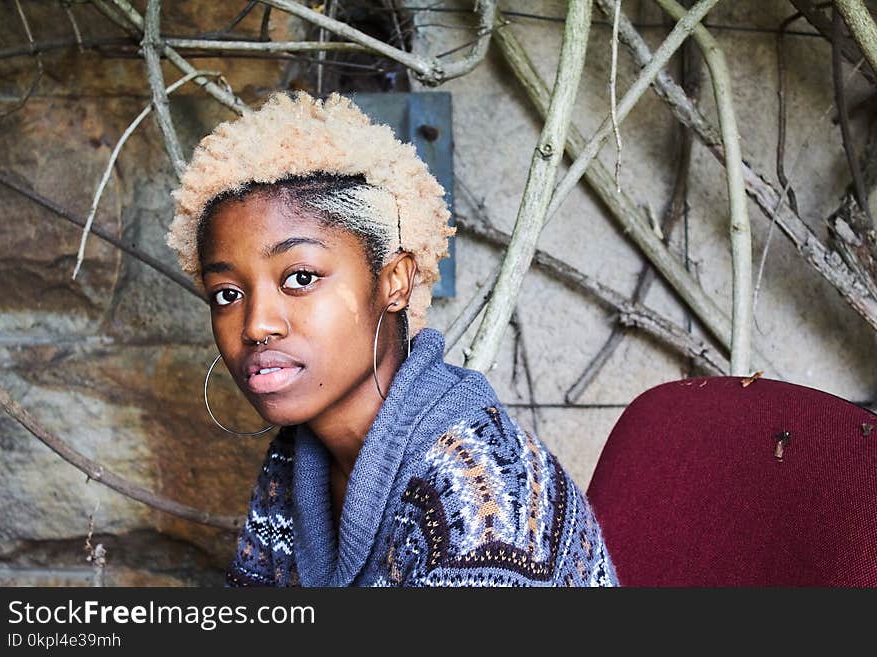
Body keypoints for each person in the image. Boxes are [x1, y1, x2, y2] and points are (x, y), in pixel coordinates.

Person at [167, 91, 617, 587]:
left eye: (299, 278)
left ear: (394, 282)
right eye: (227, 293)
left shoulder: (482, 494)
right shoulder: (295, 459)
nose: (255, 325)